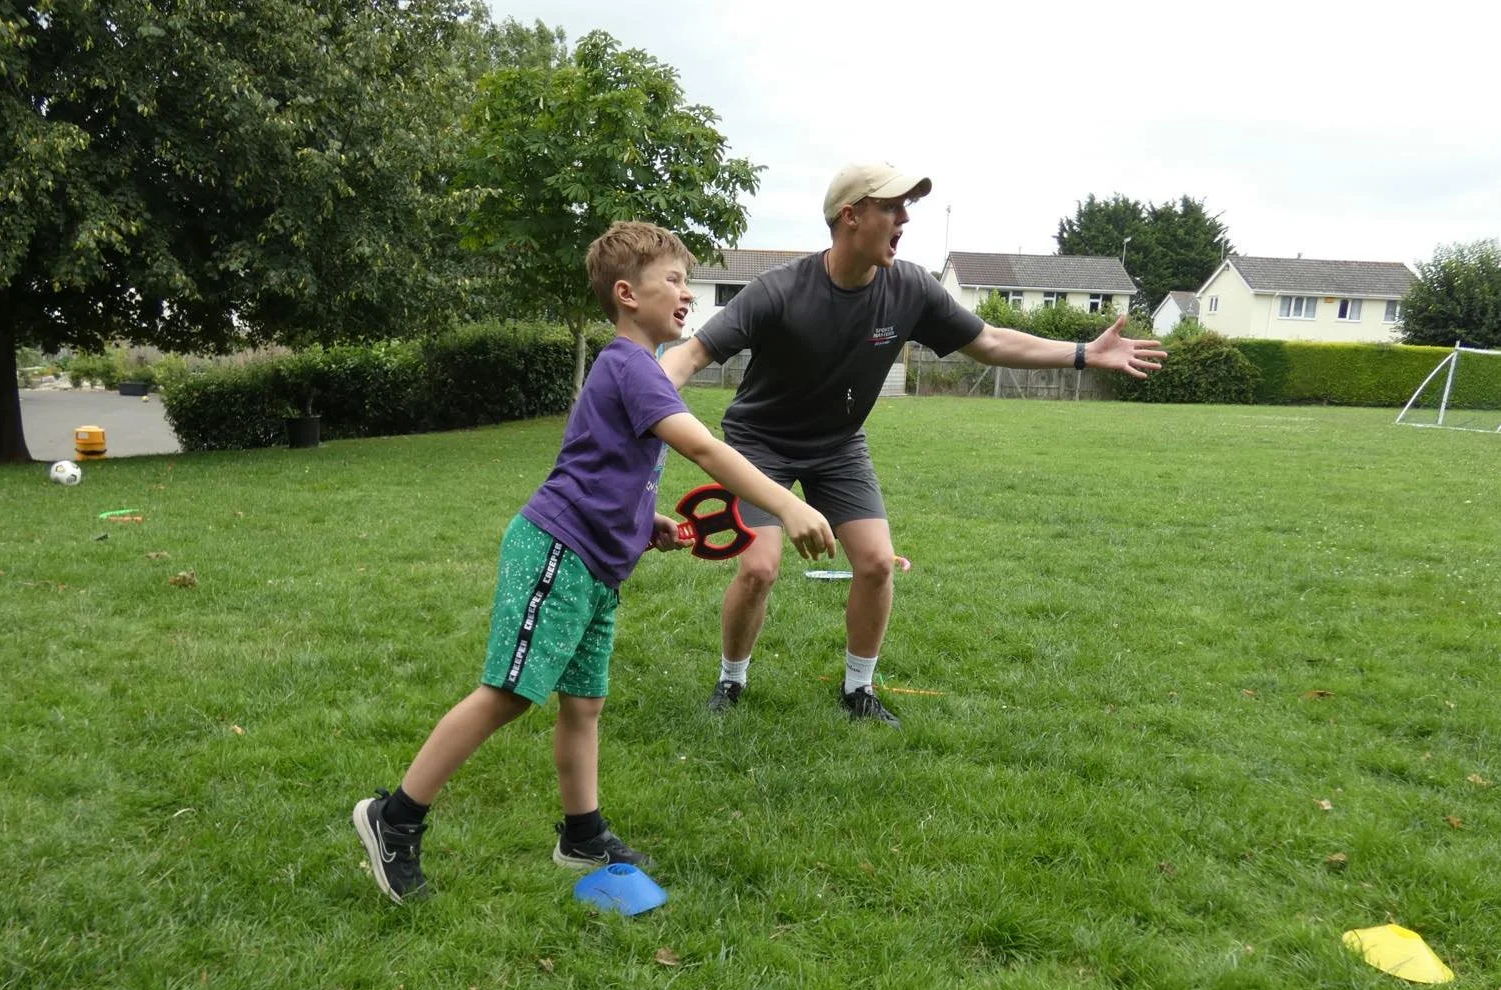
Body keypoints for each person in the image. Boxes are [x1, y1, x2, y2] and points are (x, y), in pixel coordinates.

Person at [352, 221, 836, 904]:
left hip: (599, 565)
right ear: (625, 293)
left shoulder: (633, 369)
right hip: (557, 551)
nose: (686, 294)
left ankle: (581, 833)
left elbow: (602, 463)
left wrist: (649, 523)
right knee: (511, 692)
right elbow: (703, 449)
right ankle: (394, 817)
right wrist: (783, 506)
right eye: (671, 279)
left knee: (585, 703)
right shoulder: (629, 364)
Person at [659, 162, 1166, 727]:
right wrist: (642, 393)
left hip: (838, 444)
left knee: (876, 563)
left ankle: (858, 689)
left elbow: (990, 340)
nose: (904, 219)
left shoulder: (911, 289)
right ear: (851, 217)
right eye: (891, 207)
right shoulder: (778, 290)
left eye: (907, 208)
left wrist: (1082, 352)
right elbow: (692, 354)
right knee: (759, 568)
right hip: (761, 443)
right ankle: (731, 681)